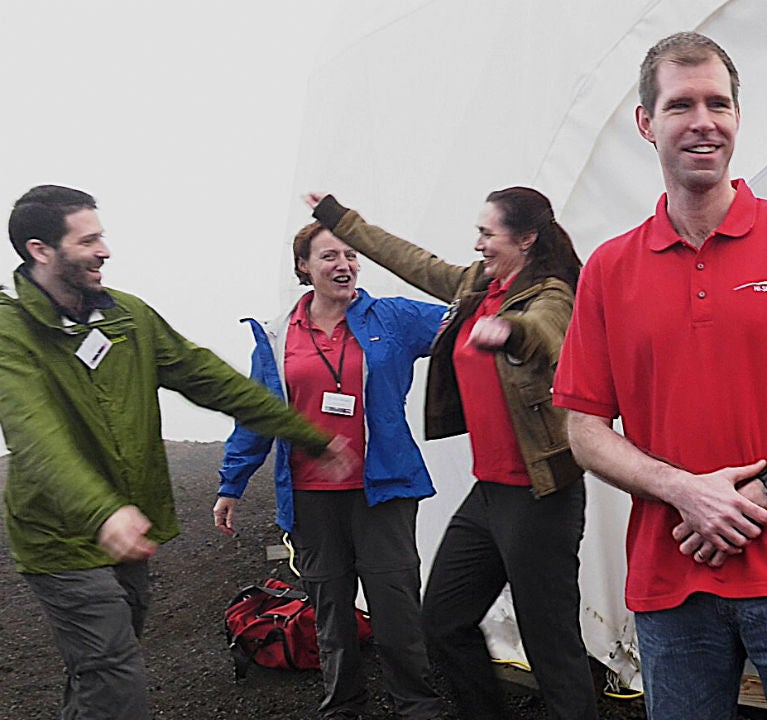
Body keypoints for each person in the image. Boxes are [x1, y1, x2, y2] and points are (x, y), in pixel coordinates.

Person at [553, 32, 767, 720]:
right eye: (681, 105)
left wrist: (763, 493)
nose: (703, 121)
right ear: (647, 123)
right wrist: (684, 492)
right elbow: (583, 427)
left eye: (718, 103)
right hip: (673, 586)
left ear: (738, 117)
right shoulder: (610, 270)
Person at [0, 184, 352, 720]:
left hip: (126, 529)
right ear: (40, 250)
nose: (105, 250)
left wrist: (305, 433)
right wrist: (104, 512)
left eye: (103, 236)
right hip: (60, 537)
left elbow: (207, 377)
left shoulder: (128, 317)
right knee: (112, 673)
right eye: (88, 239)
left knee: (98, 668)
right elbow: (35, 433)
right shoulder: (9, 331)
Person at [305, 186, 598, 720]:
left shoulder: (549, 292)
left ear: (526, 239)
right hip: (490, 493)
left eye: (489, 233)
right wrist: (337, 217)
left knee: (550, 644)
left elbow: (549, 331)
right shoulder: (477, 285)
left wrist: (509, 332)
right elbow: (410, 258)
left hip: (540, 496)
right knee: (442, 621)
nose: (479, 243)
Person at [214, 221, 449, 719]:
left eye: (350, 255)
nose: (343, 265)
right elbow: (257, 415)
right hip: (310, 496)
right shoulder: (277, 337)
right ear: (304, 267)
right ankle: (343, 707)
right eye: (328, 257)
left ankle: (417, 707)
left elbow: (464, 324)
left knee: (396, 608)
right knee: (330, 612)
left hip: (382, 488)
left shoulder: (392, 318)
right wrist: (231, 484)